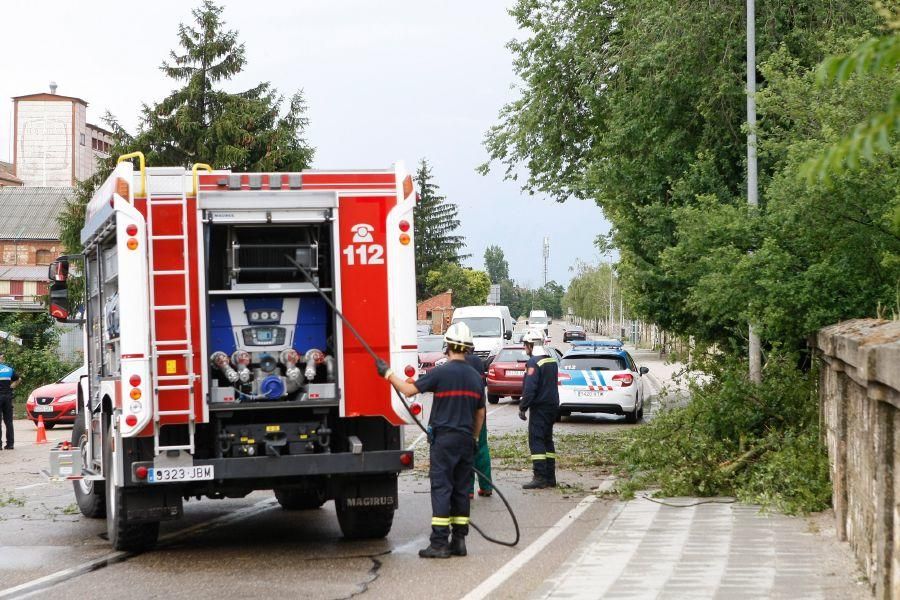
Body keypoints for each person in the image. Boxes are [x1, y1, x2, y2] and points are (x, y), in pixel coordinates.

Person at [376, 323, 485, 559]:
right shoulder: (476, 378)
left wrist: (387, 373)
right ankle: (459, 541)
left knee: (442, 488)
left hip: (444, 442)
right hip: (466, 441)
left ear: (447, 346)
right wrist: (474, 438)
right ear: (467, 348)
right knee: (461, 489)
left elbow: (407, 390)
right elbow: (480, 413)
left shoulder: (440, 373)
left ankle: (438, 543)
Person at [519, 331, 558, 489]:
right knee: (547, 440)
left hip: (540, 407)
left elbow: (530, 389)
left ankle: (540, 477)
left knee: (536, 441)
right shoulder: (551, 360)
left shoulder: (534, 363)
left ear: (531, 345)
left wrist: (523, 407)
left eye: (525, 344)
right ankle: (550, 477)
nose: (524, 348)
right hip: (552, 406)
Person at [464, 349, 492, 498]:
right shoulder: (478, 362)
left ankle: (468, 490)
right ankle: (486, 486)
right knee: (481, 447)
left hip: (464, 410)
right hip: (480, 408)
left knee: (466, 449)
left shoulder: (458, 362)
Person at [0, 352, 22, 450]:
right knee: (8, 421)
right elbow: (18, 379)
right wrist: (11, 387)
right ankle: (10, 444)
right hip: (8, 397)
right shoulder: (9, 369)